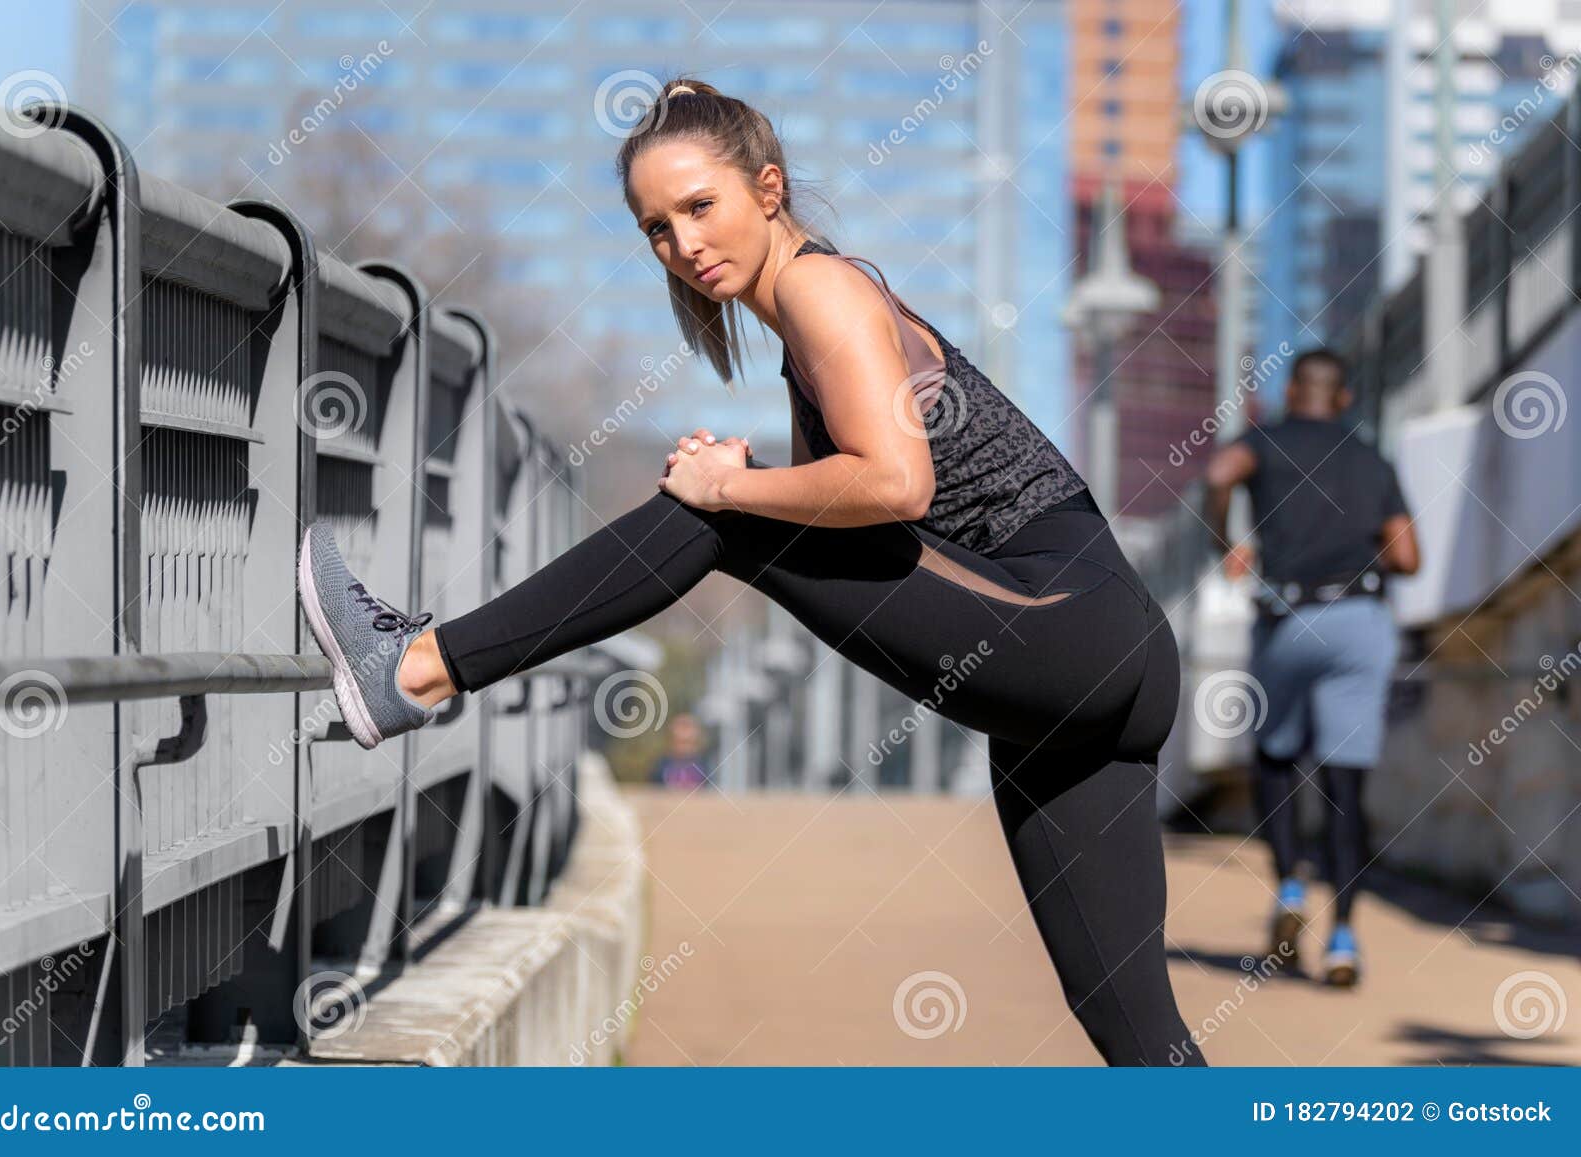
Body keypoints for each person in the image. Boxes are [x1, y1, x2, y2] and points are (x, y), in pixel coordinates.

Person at [298, 77, 1200, 1065]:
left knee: (716, 517)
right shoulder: (804, 312)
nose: (682, 244)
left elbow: (895, 485)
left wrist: (731, 490)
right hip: (1083, 665)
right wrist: (741, 485)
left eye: (699, 207)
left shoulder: (823, 286)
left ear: (767, 189)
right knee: (1136, 1035)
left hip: (1067, 629)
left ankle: (417, 667)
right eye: (654, 228)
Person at [1203, 348, 1420, 988]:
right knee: (1346, 784)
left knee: (1275, 757)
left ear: (1291, 391)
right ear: (1344, 398)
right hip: (1359, 622)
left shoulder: (1263, 441)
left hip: (1288, 620)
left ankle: (1291, 887)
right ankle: (1346, 939)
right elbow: (1407, 556)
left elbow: (1219, 473)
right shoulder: (1370, 458)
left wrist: (1228, 541)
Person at [652, 713, 710, 790]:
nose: (684, 749)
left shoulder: (705, 766)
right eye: (680, 743)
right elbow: (653, 791)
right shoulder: (661, 766)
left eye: (687, 743)